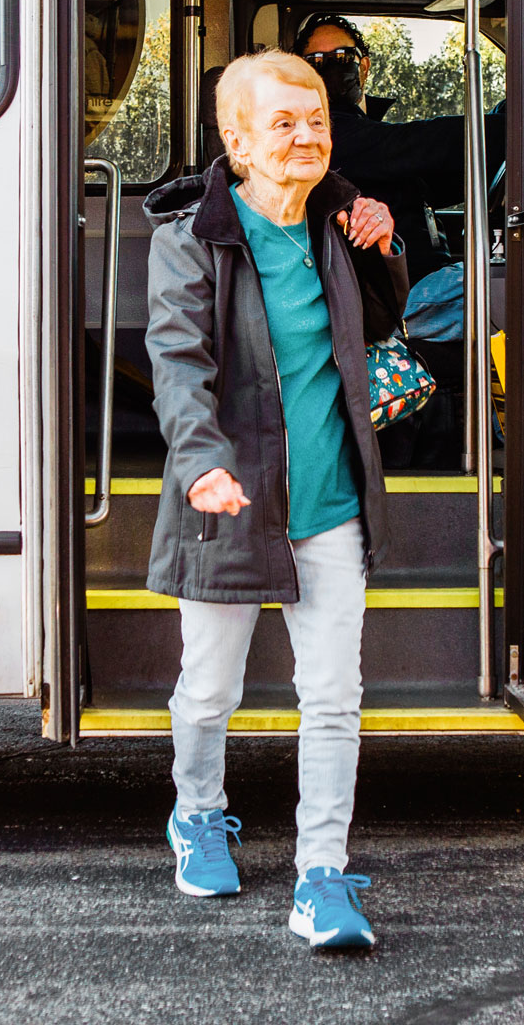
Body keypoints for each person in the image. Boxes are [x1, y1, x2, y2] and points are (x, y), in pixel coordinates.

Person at [143, 49, 407, 949]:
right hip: (226, 502)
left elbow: (379, 320)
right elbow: (179, 369)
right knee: (209, 689)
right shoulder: (193, 240)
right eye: (284, 122)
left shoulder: (337, 223)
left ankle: (322, 878)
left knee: (333, 698)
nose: (307, 137)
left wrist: (387, 242)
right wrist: (203, 463)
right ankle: (198, 812)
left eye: (318, 120)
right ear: (238, 139)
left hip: (328, 504)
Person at [292, 13, 507, 285]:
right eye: (317, 63)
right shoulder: (325, 135)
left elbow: (432, 178)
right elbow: (420, 143)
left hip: (432, 280)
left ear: (364, 66)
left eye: (343, 57)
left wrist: (504, 122)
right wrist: (515, 127)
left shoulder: (367, 133)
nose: (332, 68)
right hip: (409, 296)